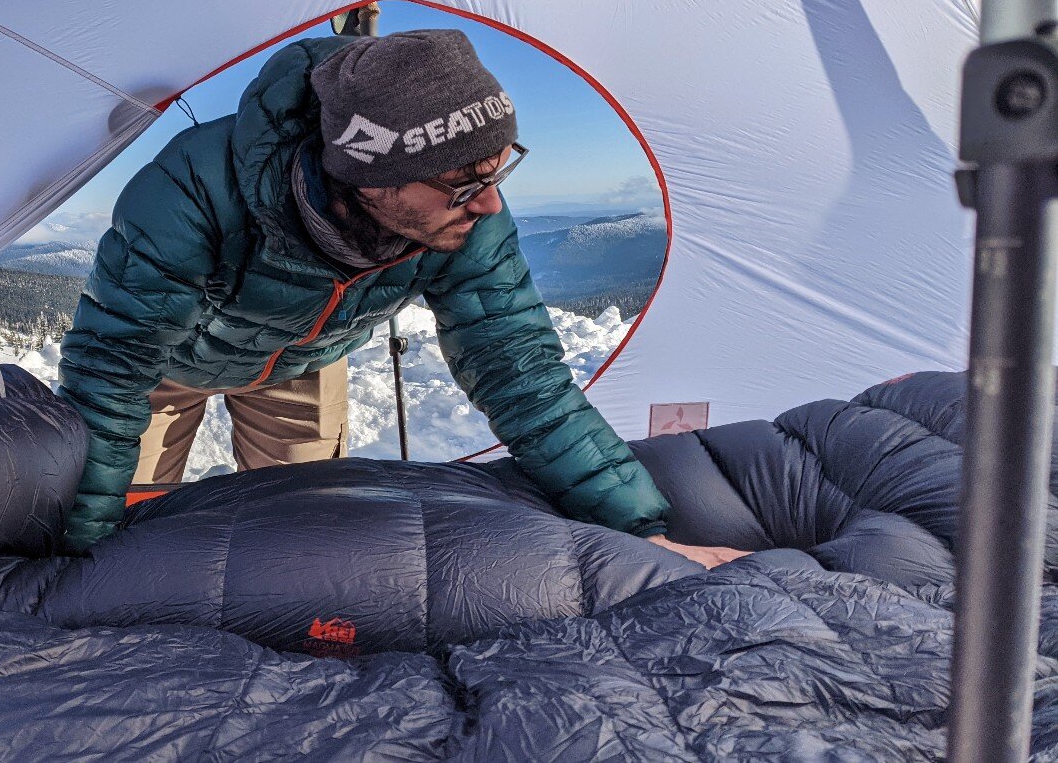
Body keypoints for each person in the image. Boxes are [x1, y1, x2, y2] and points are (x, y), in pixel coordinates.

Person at [58, 28, 747, 568]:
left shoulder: (465, 219)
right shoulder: (191, 190)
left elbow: (524, 380)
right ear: (369, 179)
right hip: (168, 369)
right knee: (126, 515)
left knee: (295, 529)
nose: (491, 204)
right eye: (462, 183)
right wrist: (76, 550)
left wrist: (640, 531)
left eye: (501, 167)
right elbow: (113, 369)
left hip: (304, 361)